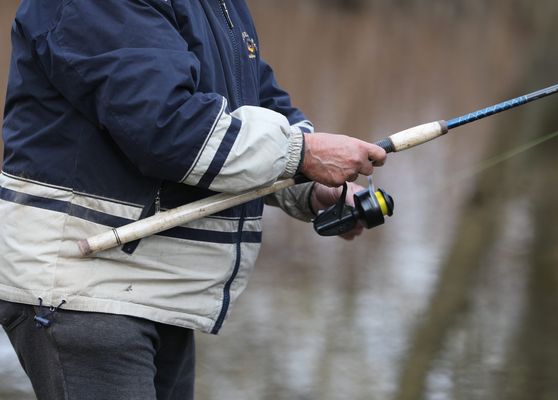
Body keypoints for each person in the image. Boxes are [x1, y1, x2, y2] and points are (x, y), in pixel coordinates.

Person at [0, 1, 386, 399]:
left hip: (160, 290)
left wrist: (308, 183)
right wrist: (303, 154)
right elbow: (168, 129)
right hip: (86, 285)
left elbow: (254, 106)